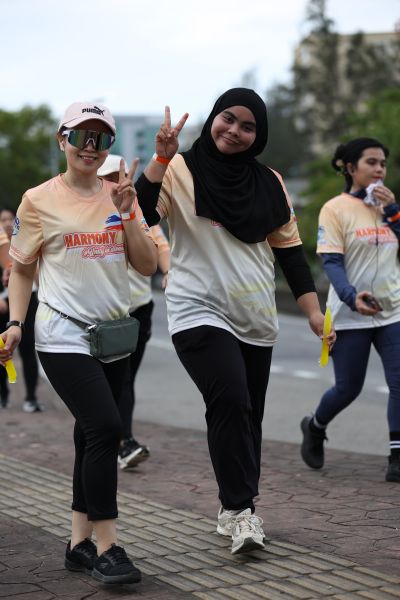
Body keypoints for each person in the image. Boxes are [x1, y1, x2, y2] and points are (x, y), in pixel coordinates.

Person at [136, 89, 334, 555]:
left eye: (248, 127)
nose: (235, 131)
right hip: (196, 308)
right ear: (213, 118)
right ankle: (243, 512)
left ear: (258, 136)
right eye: (228, 118)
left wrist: (312, 311)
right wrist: (160, 159)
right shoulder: (179, 169)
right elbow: (141, 214)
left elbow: (290, 255)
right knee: (229, 398)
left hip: (255, 315)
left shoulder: (269, 181)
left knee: (247, 416)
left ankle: (232, 507)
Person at [0, 102, 157, 584]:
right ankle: (108, 547)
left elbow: (147, 265)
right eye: (81, 136)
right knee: (107, 427)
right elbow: (22, 269)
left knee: (89, 434)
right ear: (62, 139)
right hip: (62, 333)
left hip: (112, 335)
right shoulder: (37, 199)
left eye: (101, 138)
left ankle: (77, 544)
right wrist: (16, 323)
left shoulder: (120, 193)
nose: (91, 147)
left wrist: (128, 214)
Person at [300, 137, 400, 482]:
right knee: (348, 388)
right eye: (371, 162)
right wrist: (351, 296)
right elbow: (331, 261)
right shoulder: (335, 209)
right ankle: (315, 426)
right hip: (349, 314)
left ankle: (397, 457)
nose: (379, 169)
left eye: (383, 163)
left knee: (399, 382)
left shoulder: (389, 208)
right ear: (350, 167)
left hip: (392, 311)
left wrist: (393, 211)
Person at [98, 154, 170, 469]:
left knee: (127, 379)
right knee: (119, 379)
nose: (117, 182)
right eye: (109, 177)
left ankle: (117, 439)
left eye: (121, 175)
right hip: (105, 312)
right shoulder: (86, 213)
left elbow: (160, 247)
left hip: (139, 308)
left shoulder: (138, 211)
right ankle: (120, 441)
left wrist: (169, 272)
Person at [0, 207, 40, 412]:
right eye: (3, 220)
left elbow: (36, 274)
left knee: (28, 350)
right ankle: (4, 395)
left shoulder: (26, 240)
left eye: (10, 219)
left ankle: (31, 397)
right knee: (2, 350)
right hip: (2, 305)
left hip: (28, 301)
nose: (7, 223)